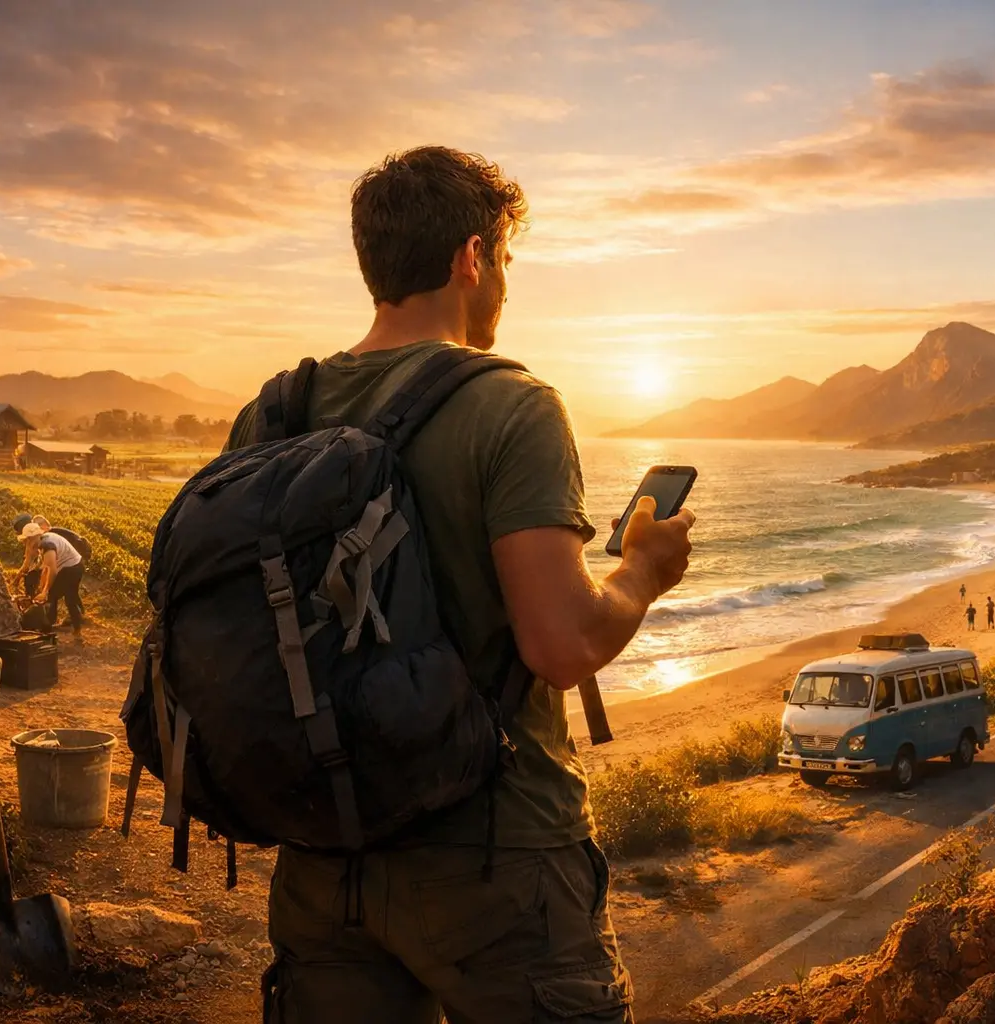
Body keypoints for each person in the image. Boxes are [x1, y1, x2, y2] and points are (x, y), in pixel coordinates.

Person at [228, 146, 693, 1024]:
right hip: (498, 854)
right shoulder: (511, 406)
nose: (506, 285)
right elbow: (562, 645)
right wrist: (642, 570)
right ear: (470, 258)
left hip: (324, 855)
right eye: (506, 261)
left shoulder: (272, 413)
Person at [20, 521, 84, 637]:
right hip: (68, 566)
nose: (28, 542)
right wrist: (43, 587)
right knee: (54, 594)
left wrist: (45, 591)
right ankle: (51, 624)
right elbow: (46, 569)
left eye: (29, 539)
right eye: (27, 540)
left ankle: (76, 629)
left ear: (36, 536)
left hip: (73, 567)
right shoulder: (41, 543)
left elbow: (53, 570)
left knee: (68, 597)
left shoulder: (47, 545)